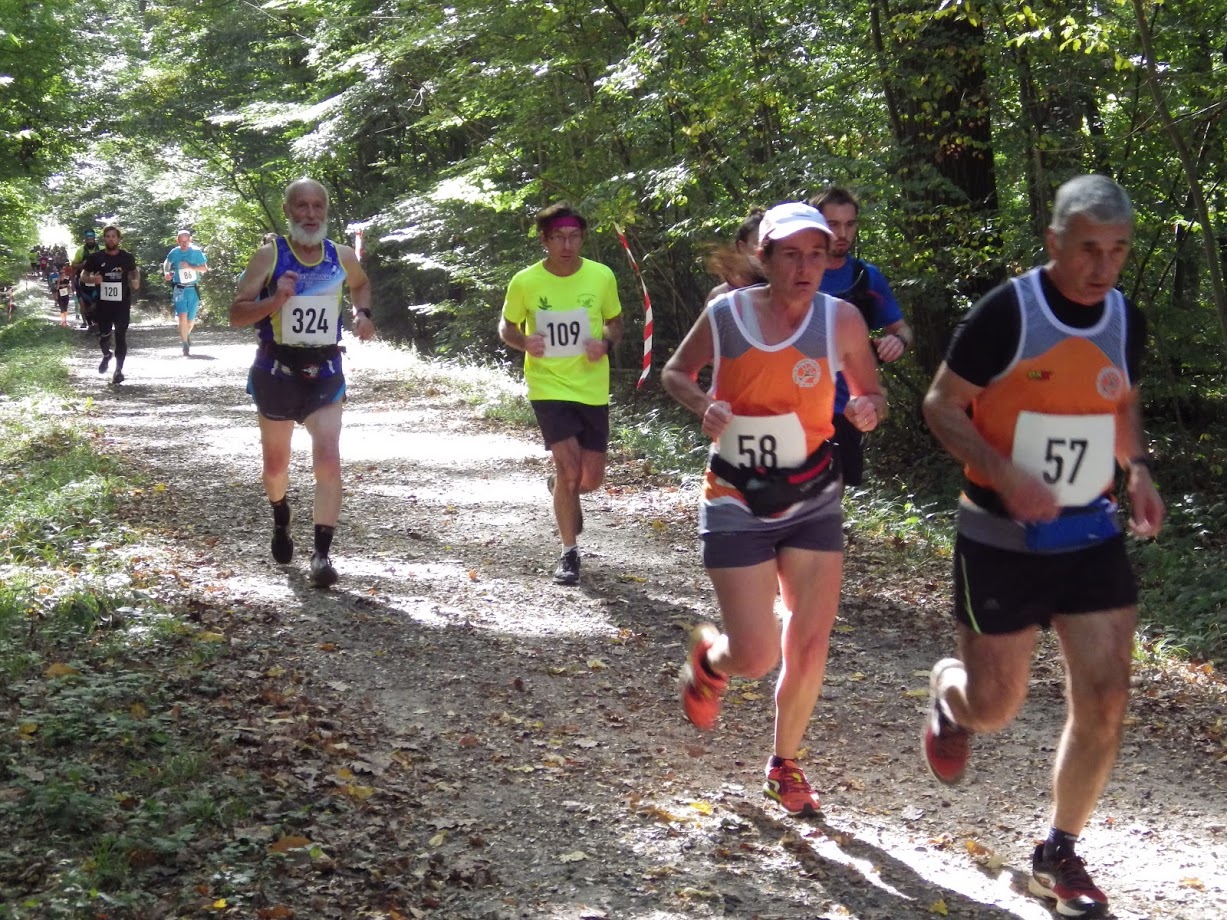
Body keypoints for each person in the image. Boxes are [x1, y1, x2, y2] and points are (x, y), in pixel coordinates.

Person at [920, 175, 1165, 919]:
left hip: (1088, 533)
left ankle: (1057, 852)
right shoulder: (1007, 313)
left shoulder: (1123, 315)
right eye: (1088, 249)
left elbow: (1117, 394)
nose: (1102, 267)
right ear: (1054, 241)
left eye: (1117, 251)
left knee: (1107, 695)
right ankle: (949, 698)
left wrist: (1138, 468)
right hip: (1000, 533)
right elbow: (939, 404)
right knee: (995, 706)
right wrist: (1004, 472)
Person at [662, 202, 886, 817]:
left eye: (817, 253)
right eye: (791, 253)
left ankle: (784, 764)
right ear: (764, 258)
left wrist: (867, 407)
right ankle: (712, 659)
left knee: (809, 643)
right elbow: (676, 372)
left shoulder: (841, 320)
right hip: (736, 492)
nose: (806, 265)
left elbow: (871, 391)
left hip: (813, 491)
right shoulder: (726, 314)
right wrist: (703, 402)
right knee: (758, 655)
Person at [229, 178, 376, 589]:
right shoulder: (269, 256)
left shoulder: (340, 256)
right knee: (276, 469)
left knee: (328, 459)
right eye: (302, 207)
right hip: (277, 371)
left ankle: (322, 555)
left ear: (326, 211)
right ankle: (280, 515)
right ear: (289, 211)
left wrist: (362, 314)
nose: (310, 215)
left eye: (318, 207)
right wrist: (275, 301)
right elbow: (236, 313)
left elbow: (361, 283)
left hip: (325, 372)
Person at [498, 202, 624, 586]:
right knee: (569, 469)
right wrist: (525, 342)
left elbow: (616, 323)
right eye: (558, 238)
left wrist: (604, 341)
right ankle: (570, 553)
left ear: (582, 239)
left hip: (591, 386)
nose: (567, 245)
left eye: (574, 237)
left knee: (591, 479)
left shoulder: (602, 276)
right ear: (545, 241)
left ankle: (560, 490)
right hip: (548, 384)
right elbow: (506, 326)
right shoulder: (525, 281)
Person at [810, 187, 913, 488]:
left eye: (850, 224)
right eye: (833, 224)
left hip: (846, 407)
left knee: (833, 493)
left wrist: (899, 341)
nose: (842, 233)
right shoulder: (796, 272)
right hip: (794, 399)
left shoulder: (866, 277)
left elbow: (903, 329)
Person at [79, 226, 140, 386]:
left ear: (119, 239)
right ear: (104, 239)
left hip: (122, 303)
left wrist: (135, 281)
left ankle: (118, 370)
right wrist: (93, 280)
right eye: (108, 236)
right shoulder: (96, 257)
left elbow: (134, 271)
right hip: (103, 304)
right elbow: (83, 276)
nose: (111, 239)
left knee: (120, 335)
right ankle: (107, 355)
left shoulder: (126, 257)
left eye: (114, 236)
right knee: (104, 335)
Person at [704, 207, 766, 305]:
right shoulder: (720, 296)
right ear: (742, 246)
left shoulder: (789, 289)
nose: (765, 250)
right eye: (759, 243)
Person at [163, 229, 209, 355]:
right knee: (182, 317)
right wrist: (166, 272)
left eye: (186, 241)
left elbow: (205, 269)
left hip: (192, 288)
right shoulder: (174, 252)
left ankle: (187, 334)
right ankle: (185, 344)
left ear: (190, 240)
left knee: (190, 320)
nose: (184, 244)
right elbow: (167, 262)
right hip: (179, 288)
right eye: (181, 241)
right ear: (177, 241)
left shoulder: (196, 252)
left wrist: (191, 267)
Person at [72, 230, 102, 330]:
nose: (90, 241)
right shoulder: (80, 251)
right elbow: (73, 265)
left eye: (91, 239)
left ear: (94, 239)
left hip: (97, 281)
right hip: (83, 281)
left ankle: (97, 322)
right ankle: (87, 322)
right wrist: (82, 264)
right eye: (88, 239)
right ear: (85, 240)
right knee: (83, 303)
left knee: (97, 302)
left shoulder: (101, 249)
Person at [54, 262, 72, 327]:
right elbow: (56, 288)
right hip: (60, 296)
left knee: (65, 308)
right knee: (62, 309)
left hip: (66, 296)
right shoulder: (57, 281)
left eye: (64, 274)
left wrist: (69, 291)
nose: (63, 275)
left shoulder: (66, 280)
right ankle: (62, 321)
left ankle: (65, 321)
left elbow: (69, 287)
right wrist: (59, 281)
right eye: (61, 274)